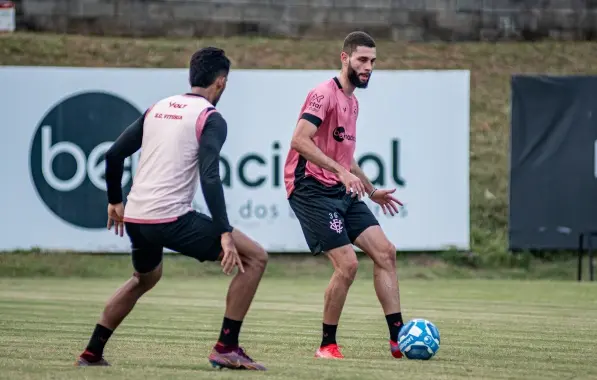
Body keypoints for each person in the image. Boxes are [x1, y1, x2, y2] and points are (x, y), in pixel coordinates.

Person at [74, 47, 268, 371]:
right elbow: (209, 174)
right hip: (169, 218)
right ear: (221, 82)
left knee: (143, 279)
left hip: (136, 217)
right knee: (256, 257)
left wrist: (114, 201)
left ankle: (92, 352)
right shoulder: (210, 117)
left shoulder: (158, 108)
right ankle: (226, 347)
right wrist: (224, 231)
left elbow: (112, 156)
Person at [283, 31, 405, 360]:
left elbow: (345, 157)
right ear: (345, 58)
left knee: (386, 252)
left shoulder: (352, 102)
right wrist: (341, 172)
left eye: (373, 62)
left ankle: (399, 340)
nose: (368, 67)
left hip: (340, 188)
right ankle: (326, 345)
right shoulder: (323, 94)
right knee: (348, 265)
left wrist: (371, 189)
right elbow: (299, 140)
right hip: (309, 188)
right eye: (362, 60)